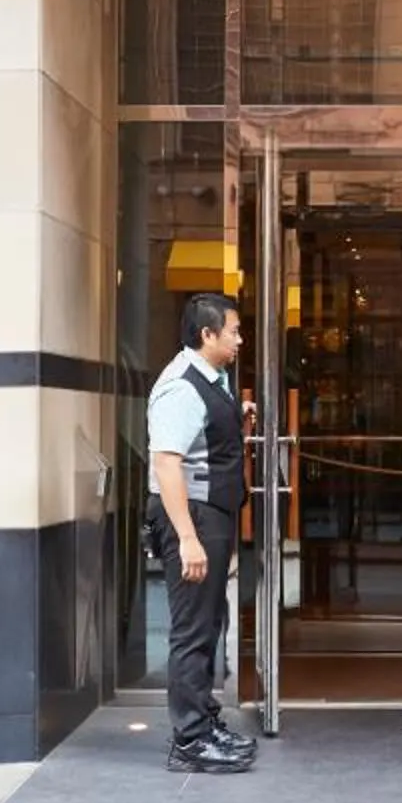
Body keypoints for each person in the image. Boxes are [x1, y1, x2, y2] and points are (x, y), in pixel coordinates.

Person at [146, 293, 255, 773]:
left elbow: (200, 439)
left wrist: (237, 416)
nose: (239, 338)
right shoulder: (181, 388)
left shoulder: (212, 381)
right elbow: (166, 463)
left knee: (209, 622)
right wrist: (187, 537)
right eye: (232, 330)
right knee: (192, 629)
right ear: (207, 335)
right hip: (193, 516)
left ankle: (203, 721)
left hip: (211, 514)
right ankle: (189, 740)